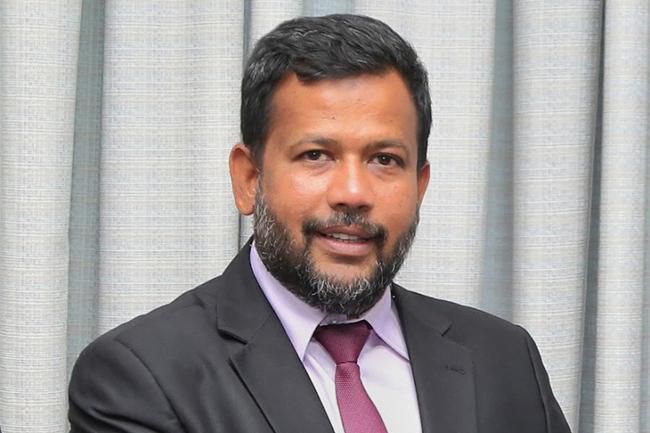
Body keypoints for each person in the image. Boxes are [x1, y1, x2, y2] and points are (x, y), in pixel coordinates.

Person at [68, 14, 571, 433]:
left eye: (385, 160)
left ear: (420, 186)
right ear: (249, 178)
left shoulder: (504, 359)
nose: (353, 193)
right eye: (316, 155)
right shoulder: (143, 377)